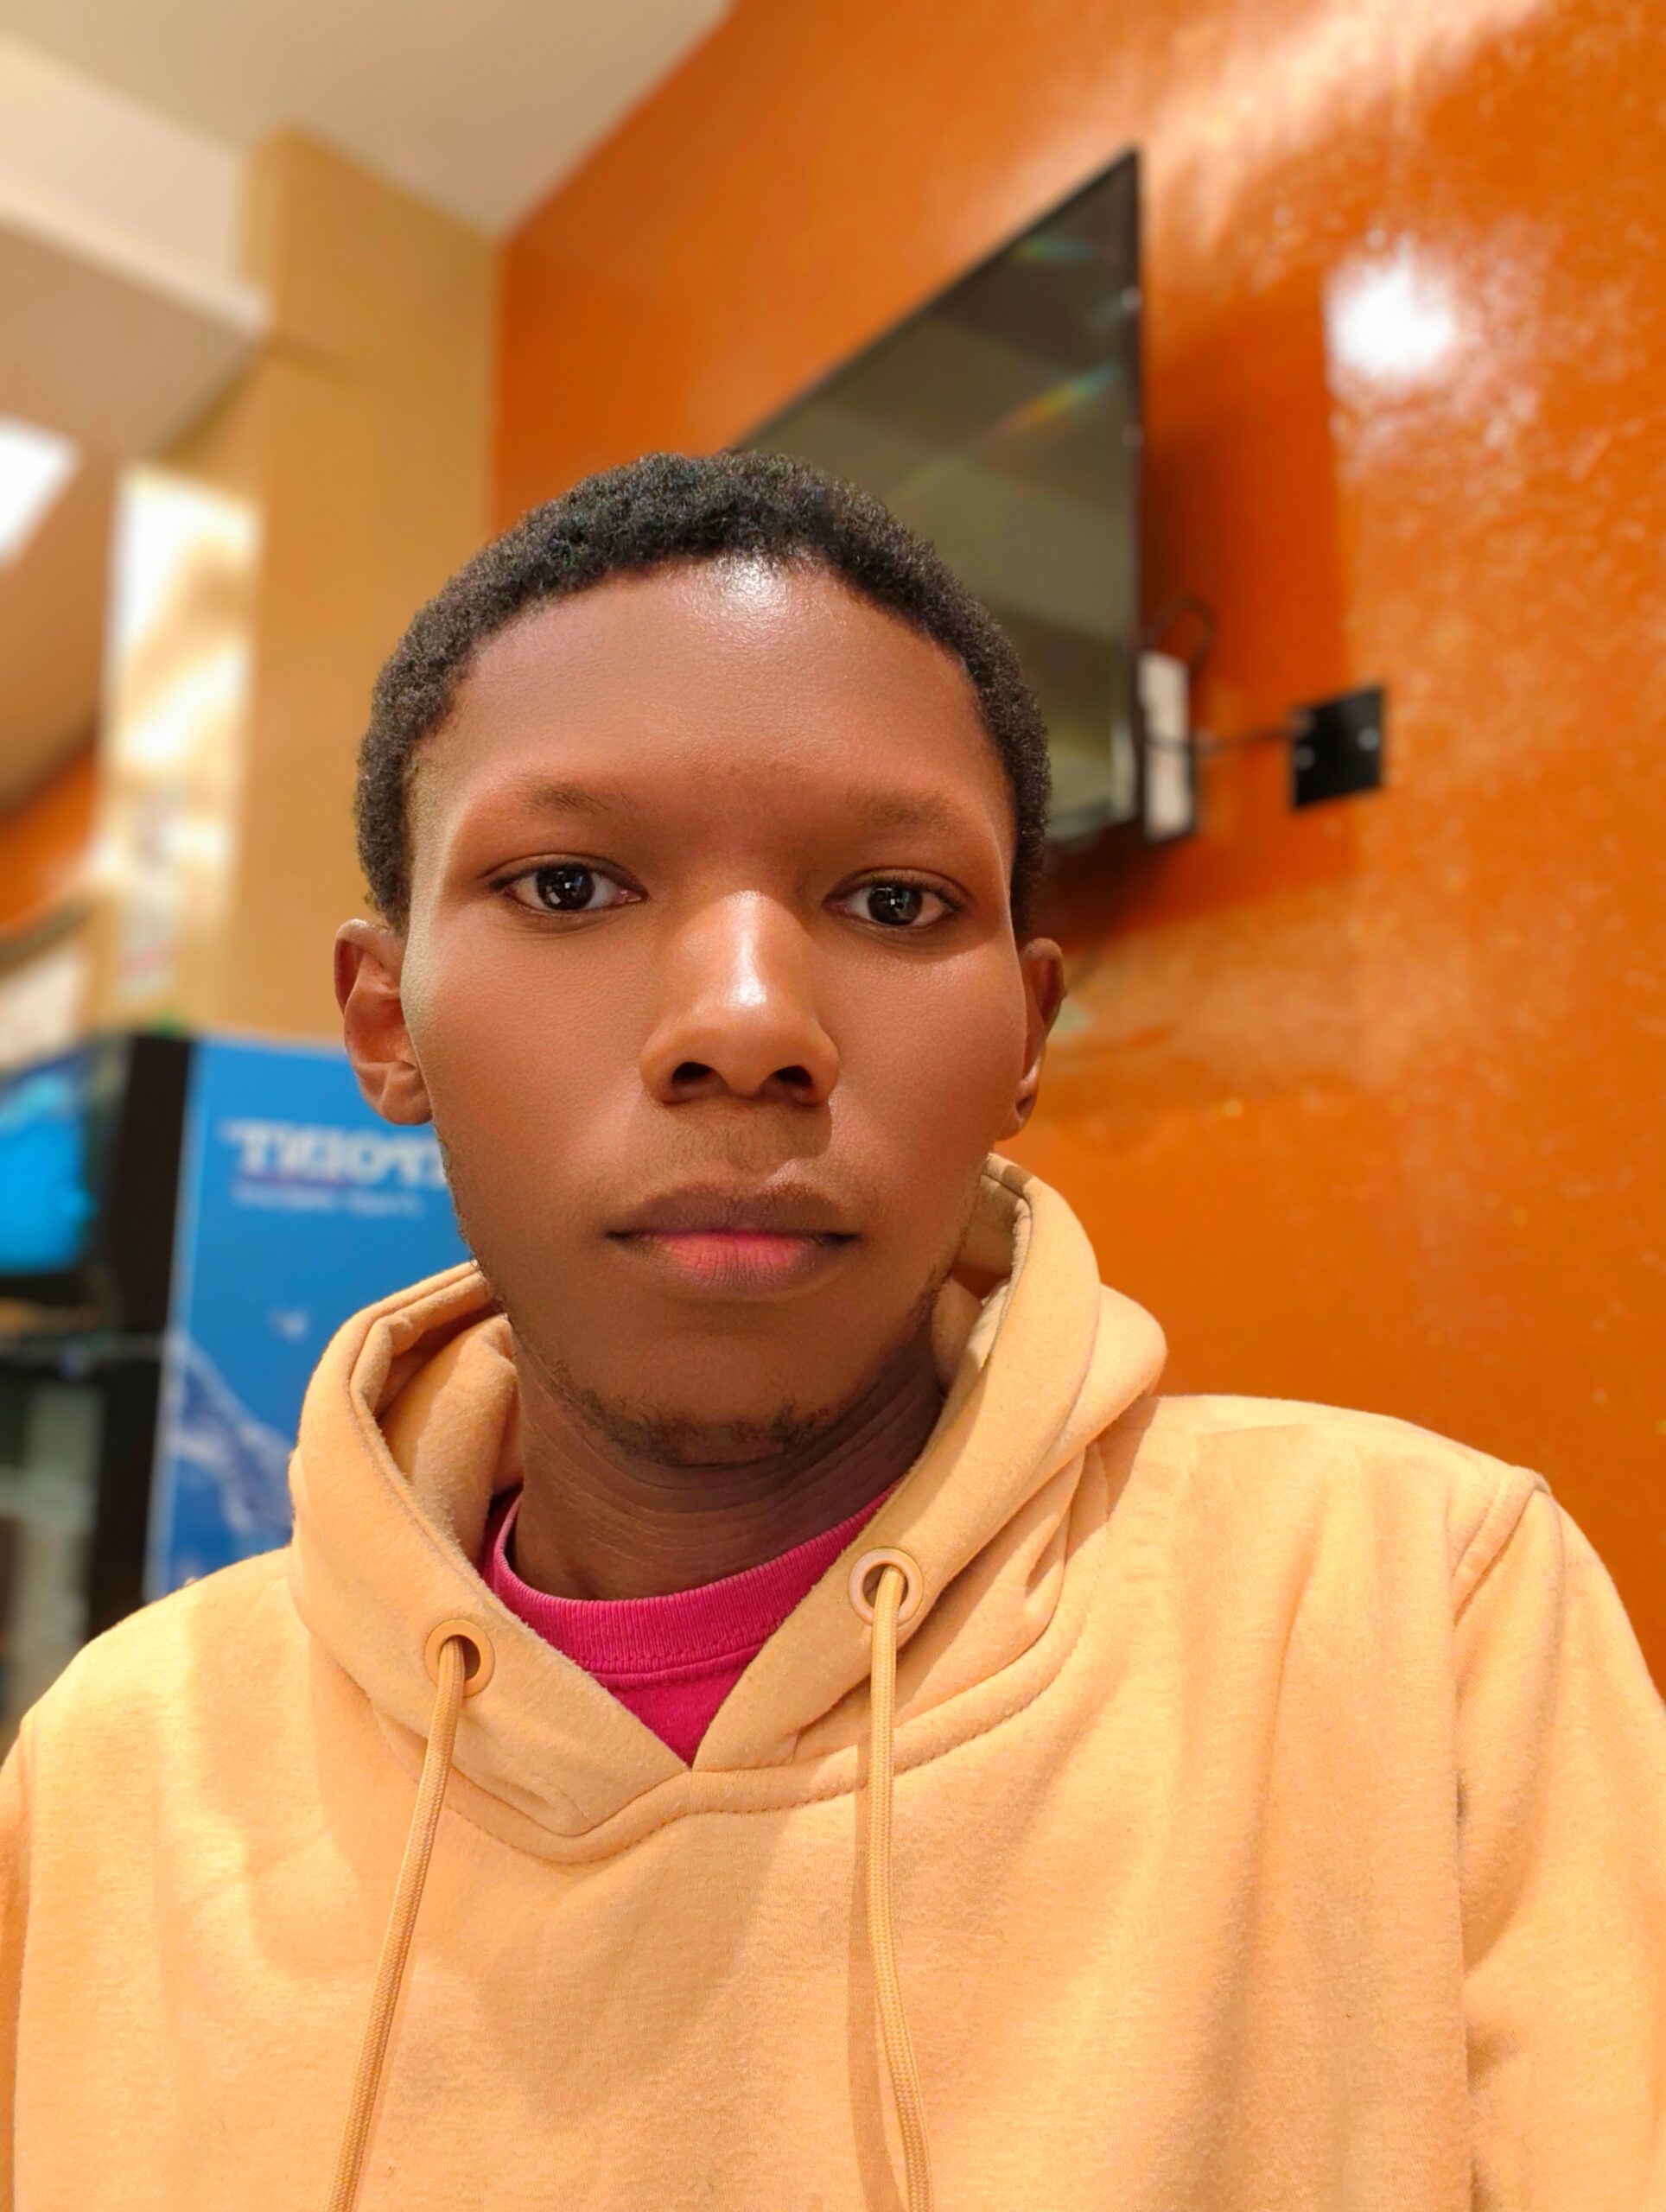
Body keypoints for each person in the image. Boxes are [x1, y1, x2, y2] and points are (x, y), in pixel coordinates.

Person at [2, 452, 1662, 2212]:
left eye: (892, 901)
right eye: (567, 886)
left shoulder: (1414, 1617)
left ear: (1025, 1034)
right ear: (386, 1021)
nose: (744, 1023)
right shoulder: (118, 1765)